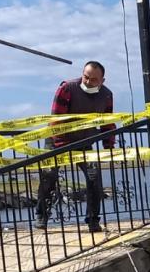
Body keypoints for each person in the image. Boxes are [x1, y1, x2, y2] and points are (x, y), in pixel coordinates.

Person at [34, 61, 115, 232]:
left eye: (93, 79)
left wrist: (109, 145)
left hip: (84, 142)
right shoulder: (67, 88)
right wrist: (62, 145)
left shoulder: (107, 95)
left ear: (102, 80)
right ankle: (41, 216)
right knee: (49, 177)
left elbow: (108, 122)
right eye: (86, 77)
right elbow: (56, 118)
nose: (88, 82)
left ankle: (93, 220)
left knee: (94, 179)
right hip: (57, 141)